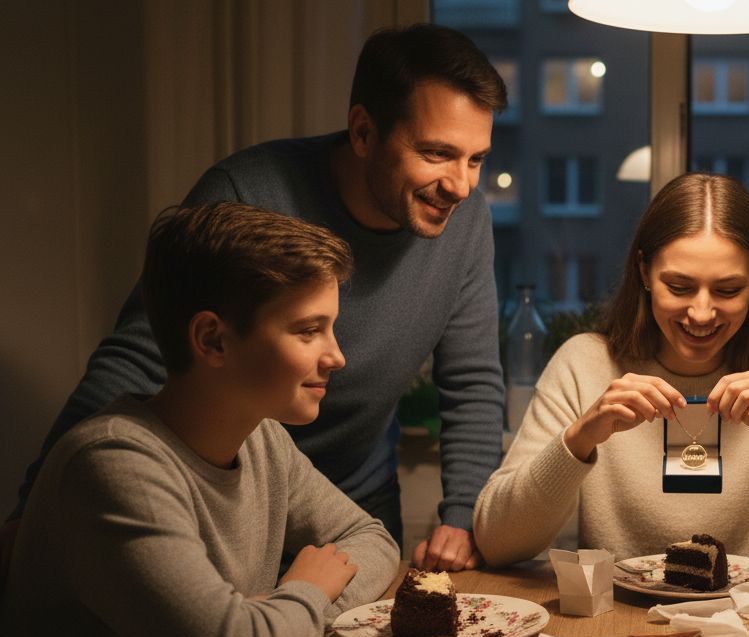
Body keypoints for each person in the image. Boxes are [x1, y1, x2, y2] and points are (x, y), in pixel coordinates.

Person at [7, 23, 506, 571]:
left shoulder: (466, 223)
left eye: (475, 159)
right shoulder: (246, 193)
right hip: (228, 504)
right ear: (363, 132)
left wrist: (464, 515)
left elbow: (472, 380)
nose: (461, 185)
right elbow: (138, 358)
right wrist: (35, 510)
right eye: (436, 153)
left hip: (353, 511)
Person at [0, 203, 401, 637]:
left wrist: (271, 621)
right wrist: (303, 596)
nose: (337, 356)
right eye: (309, 330)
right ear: (212, 340)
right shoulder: (112, 465)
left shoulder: (262, 440)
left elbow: (373, 539)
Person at [472, 173, 749, 567]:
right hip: (615, 615)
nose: (702, 313)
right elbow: (497, 542)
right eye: (679, 287)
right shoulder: (583, 364)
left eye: (728, 289)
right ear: (644, 271)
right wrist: (579, 439)